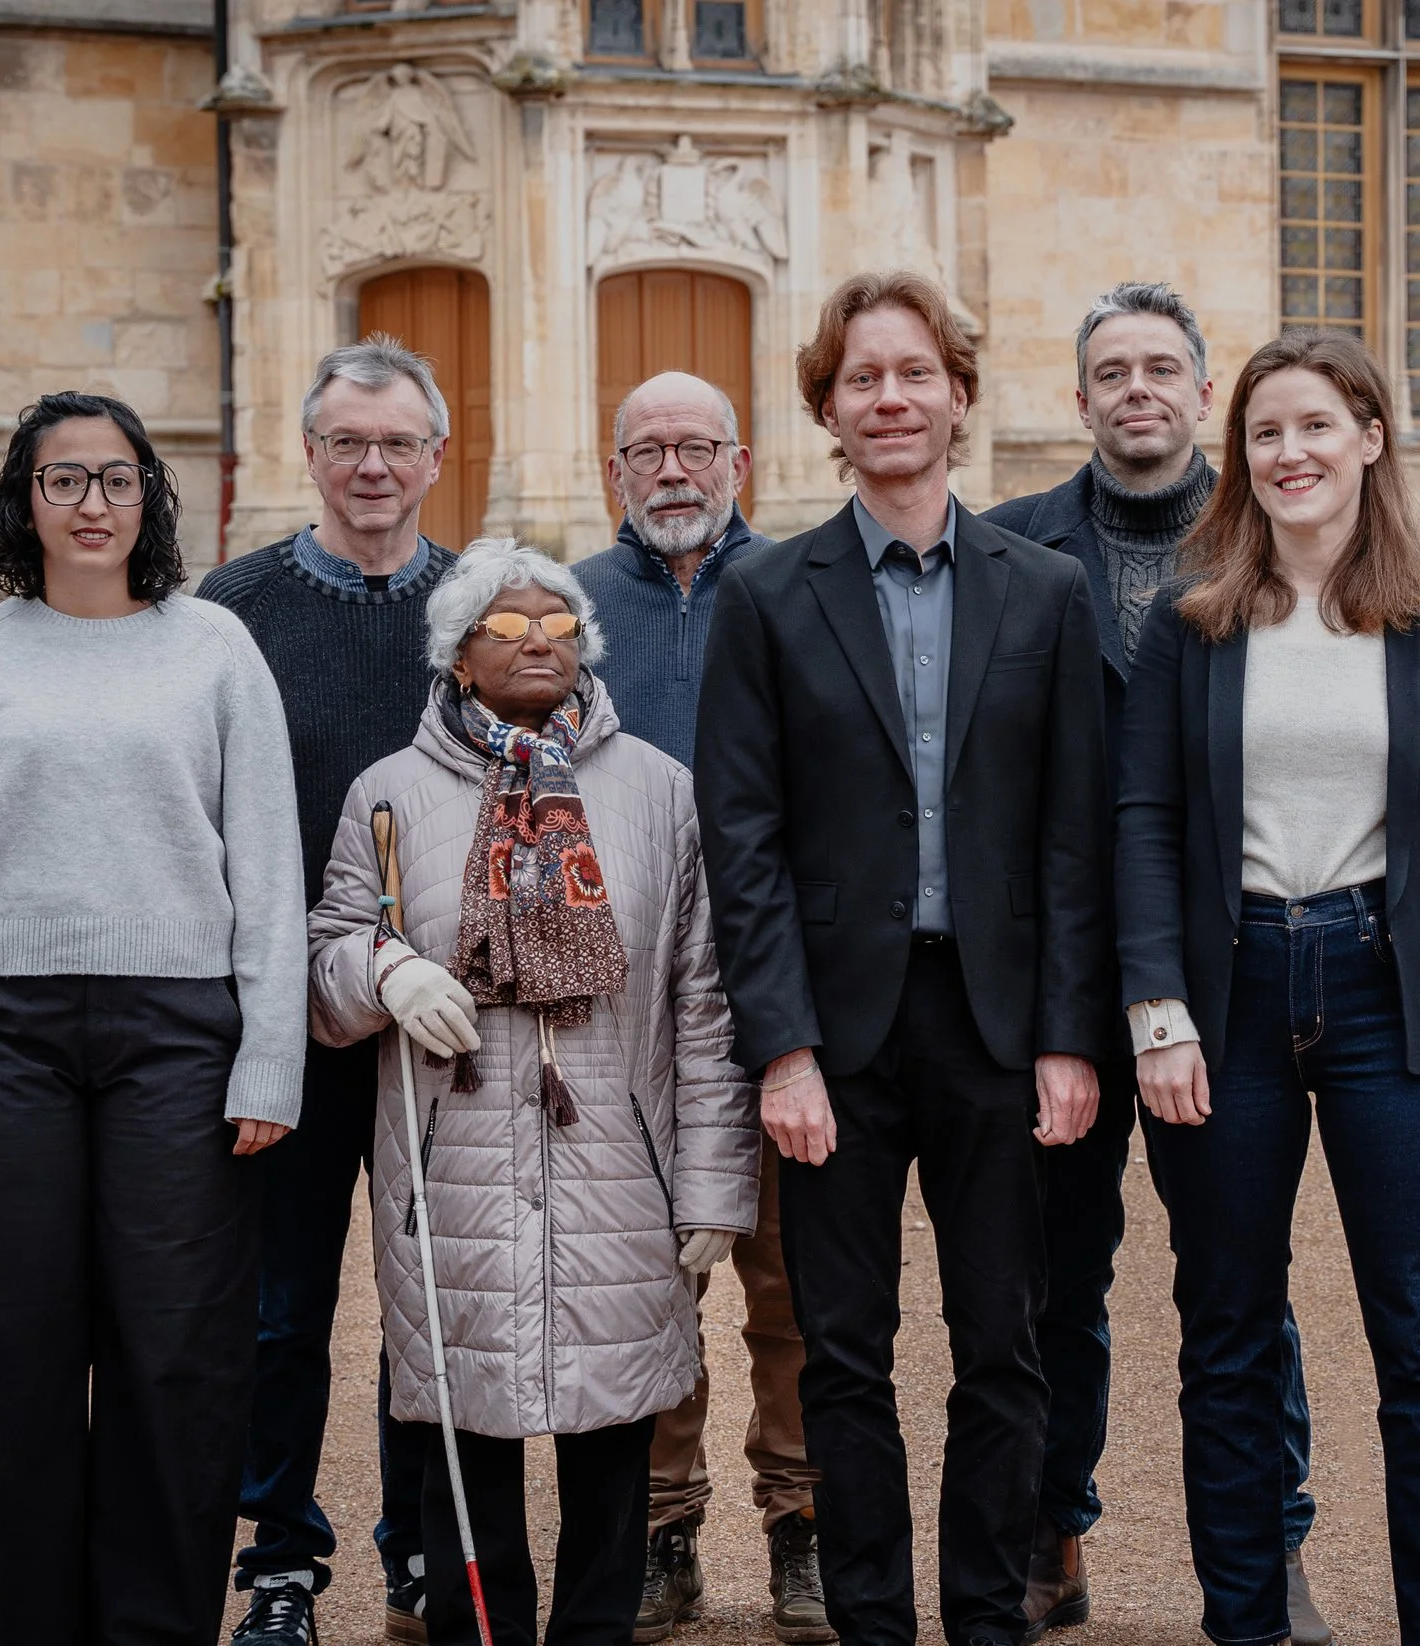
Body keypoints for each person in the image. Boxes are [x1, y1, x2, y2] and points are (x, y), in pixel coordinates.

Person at [694, 269, 1109, 1646]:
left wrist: (1069, 1035)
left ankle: (986, 1617)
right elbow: (743, 837)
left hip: (999, 1027)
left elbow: (1073, 835)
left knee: (1004, 1342)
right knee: (843, 1350)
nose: (890, 397)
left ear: (959, 394)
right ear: (827, 407)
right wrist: (783, 1048)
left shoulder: (1045, 593)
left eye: (915, 371)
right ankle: (872, 1620)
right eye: (862, 377)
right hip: (837, 1033)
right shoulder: (766, 595)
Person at [0, 391, 306, 1646]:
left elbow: (267, 861)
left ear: (149, 495)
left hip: (181, 1037)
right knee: (8, 1351)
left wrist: (269, 1057)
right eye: (63, 479)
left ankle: (155, 1627)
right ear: (26, 500)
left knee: (178, 1353)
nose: (93, 503)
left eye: (117, 478)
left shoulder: (214, 647)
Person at [1116, 328, 1420, 1646]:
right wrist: (1157, 1012)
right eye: (1265, 432)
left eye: (1314, 426)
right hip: (1226, 994)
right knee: (1227, 1331)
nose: (1289, 452)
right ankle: (1248, 1626)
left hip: (1391, 994)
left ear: (1370, 440)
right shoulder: (1190, 622)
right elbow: (1144, 821)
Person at [307, 540, 760, 1646]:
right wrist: (384, 968)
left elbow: (705, 1002)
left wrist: (714, 1185)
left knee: (613, 1459)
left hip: (619, 1172)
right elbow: (323, 967)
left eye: (557, 623)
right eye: (507, 627)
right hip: (453, 1180)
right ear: (458, 655)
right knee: (466, 1462)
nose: (538, 642)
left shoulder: (658, 790)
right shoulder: (388, 795)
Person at [982, 282, 1332, 1645]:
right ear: (1079, 398)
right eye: (1112, 370)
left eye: (1161, 368)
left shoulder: (1274, 539)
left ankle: (1269, 1543)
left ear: (1201, 391)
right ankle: (1049, 1527)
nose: (1138, 389)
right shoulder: (1012, 546)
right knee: (1051, 1274)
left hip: (1225, 965)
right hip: (1062, 972)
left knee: (1235, 1275)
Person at [200, 335, 460, 1646]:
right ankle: (281, 1562)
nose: (372, 465)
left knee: (429, 1310)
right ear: (309, 451)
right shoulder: (230, 610)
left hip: (437, 1029)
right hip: (281, 1025)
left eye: (396, 441)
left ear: (435, 456)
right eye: (347, 441)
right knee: (279, 1310)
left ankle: (419, 1545)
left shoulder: (479, 606)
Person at [574, 370, 827, 1644]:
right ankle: (662, 1529)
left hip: (779, 988)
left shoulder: (799, 587)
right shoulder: (571, 605)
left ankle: (802, 1525)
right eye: (647, 450)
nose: (672, 470)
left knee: (792, 1286)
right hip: (625, 1009)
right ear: (613, 469)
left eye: (695, 447)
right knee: (644, 1284)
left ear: (741, 461)